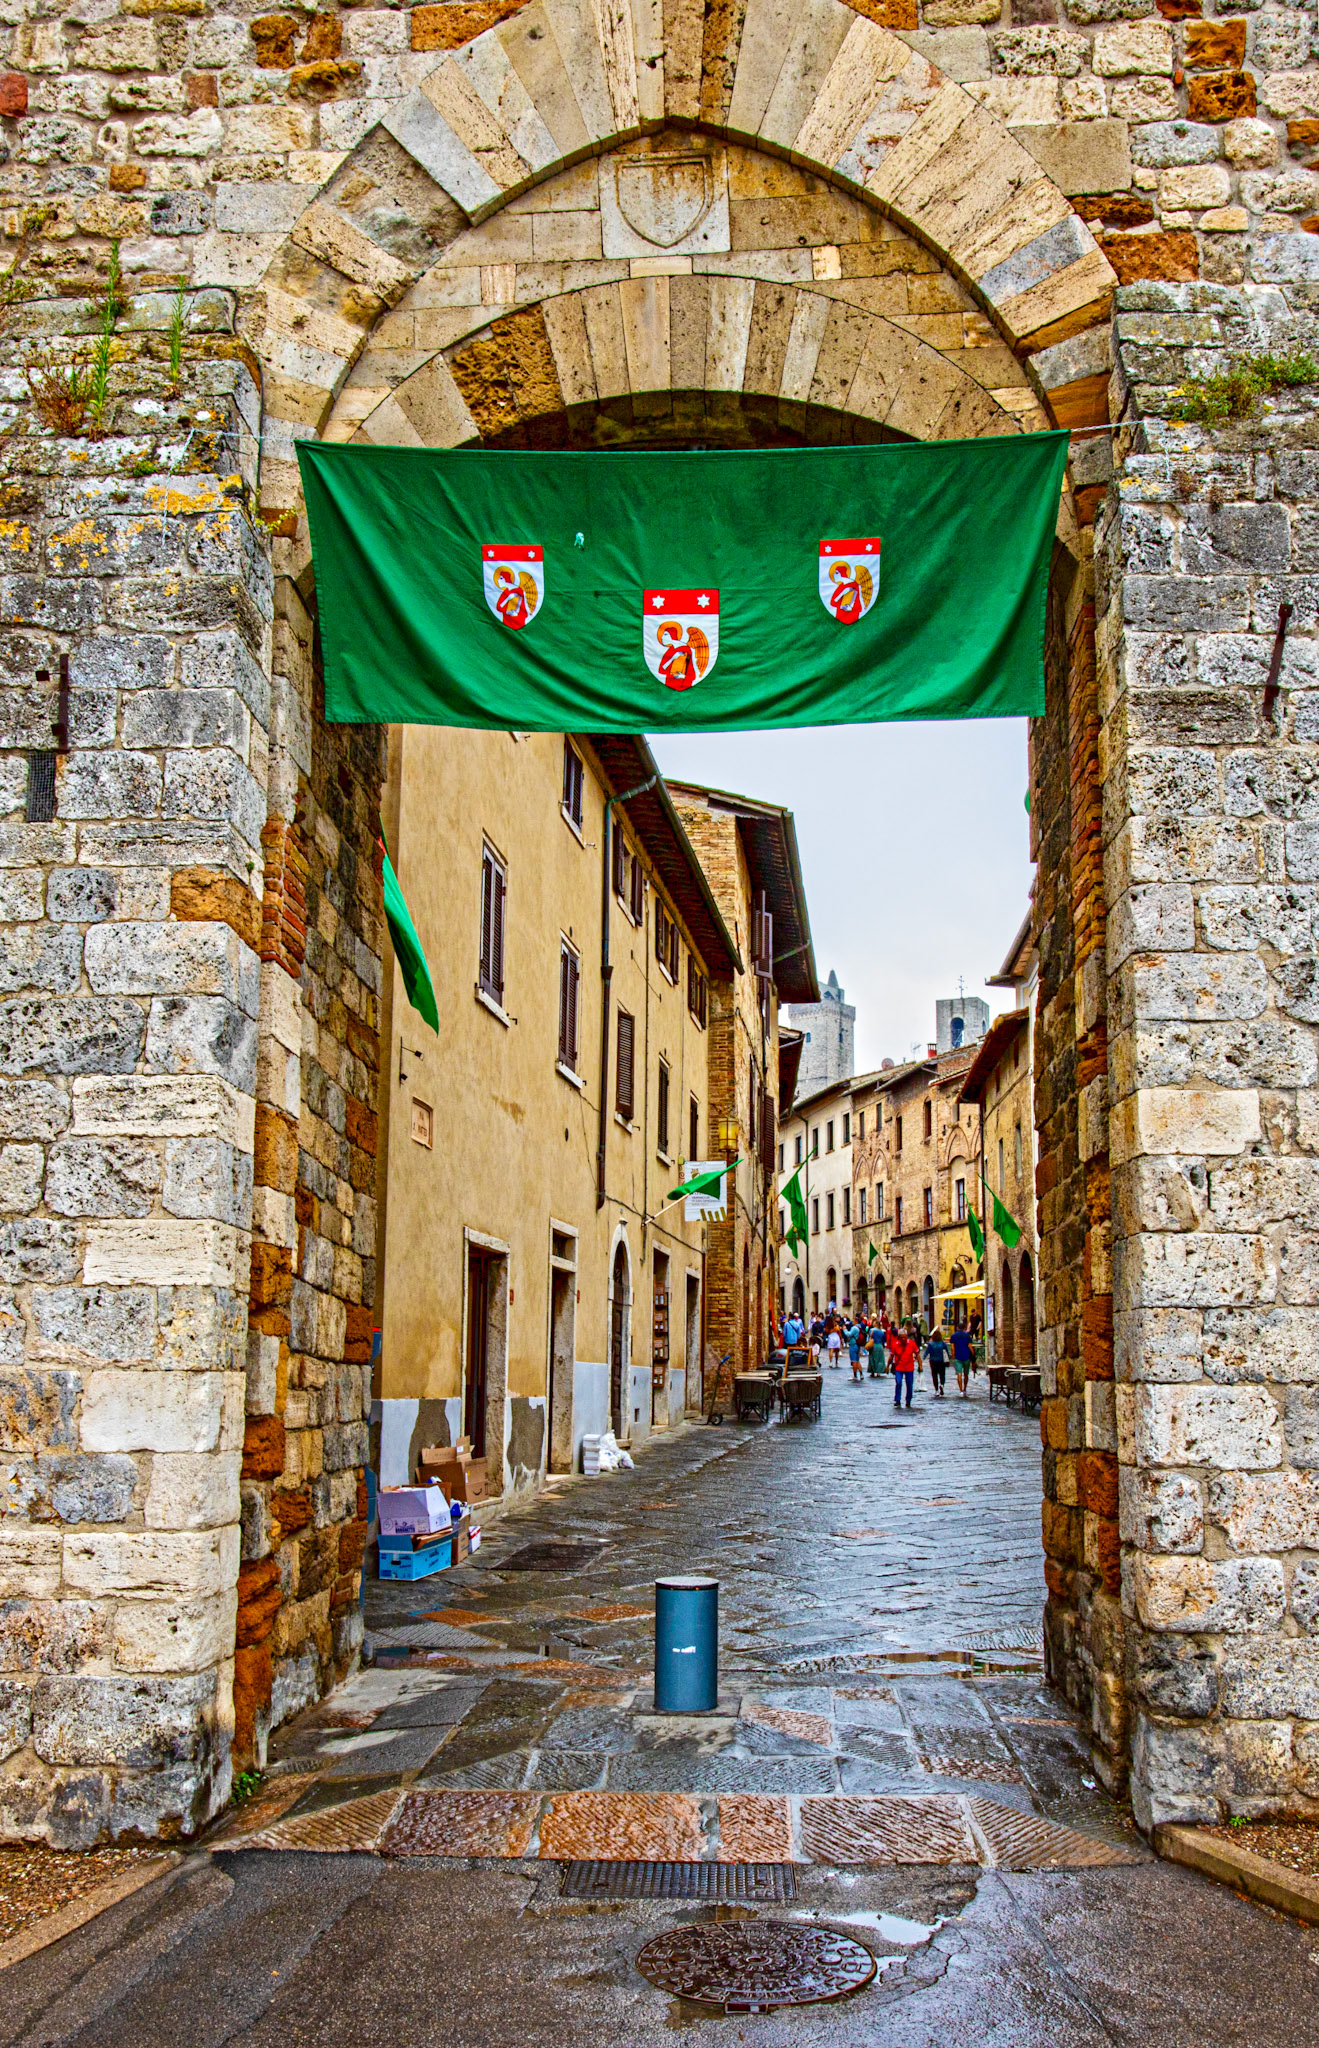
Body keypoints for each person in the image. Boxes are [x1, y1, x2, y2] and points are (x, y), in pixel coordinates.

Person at [893, 1324, 918, 1409]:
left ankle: (908, 1400)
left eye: (905, 1337)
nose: (903, 1339)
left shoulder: (911, 1343)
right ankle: (897, 1400)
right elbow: (891, 1356)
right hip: (899, 1367)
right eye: (902, 1337)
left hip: (909, 1367)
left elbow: (917, 1354)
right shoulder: (895, 1344)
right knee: (898, 1383)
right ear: (899, 1338)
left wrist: (920, 1365)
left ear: (907, 1337)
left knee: (909, 1384)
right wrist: (888, 1366)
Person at [951, 1319, 975, 1396]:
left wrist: (953, 1355)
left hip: (958, 1356)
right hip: (966, 1356)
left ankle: (961, 1390)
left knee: (959, 1373)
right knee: (966, 1373)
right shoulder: (967, 1336)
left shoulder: (954, 1336)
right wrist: (973, 1355)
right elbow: (970, 1346)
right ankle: (965, 1388)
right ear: (964, 1328)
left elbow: (952, 1347)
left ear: (957, 1328)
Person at [926, 1326, 950, 1398]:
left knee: (934, 1375)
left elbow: (928, 1352)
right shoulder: (943, 1343)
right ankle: (941, 1385)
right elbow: (947, 1352)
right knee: (942, 1374)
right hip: (941, 1361)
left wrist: (923, 1358)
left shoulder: (931, 1344)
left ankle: (936, 1390)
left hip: (933, 1361)